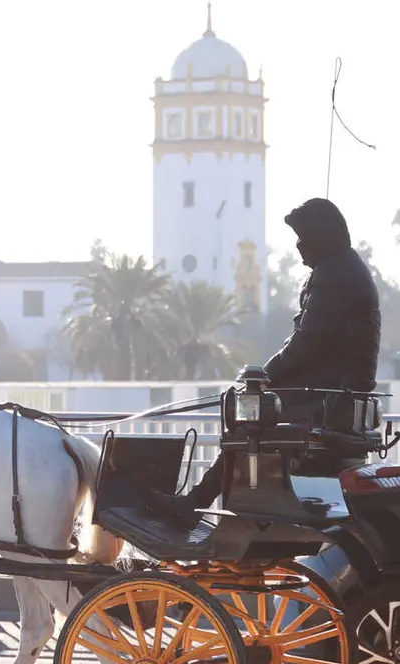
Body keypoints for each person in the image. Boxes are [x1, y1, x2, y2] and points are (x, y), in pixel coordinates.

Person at [149, 197, 381, 526]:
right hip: (334, 398)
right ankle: (201, 501)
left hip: (326, 403)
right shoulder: (341, 269)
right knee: (248, 411)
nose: (298, 246)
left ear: (320, 237)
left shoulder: (334, 275)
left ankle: (197, 504)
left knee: (245, 423)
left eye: (302, 237)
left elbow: (306, 342)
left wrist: (262, 377)